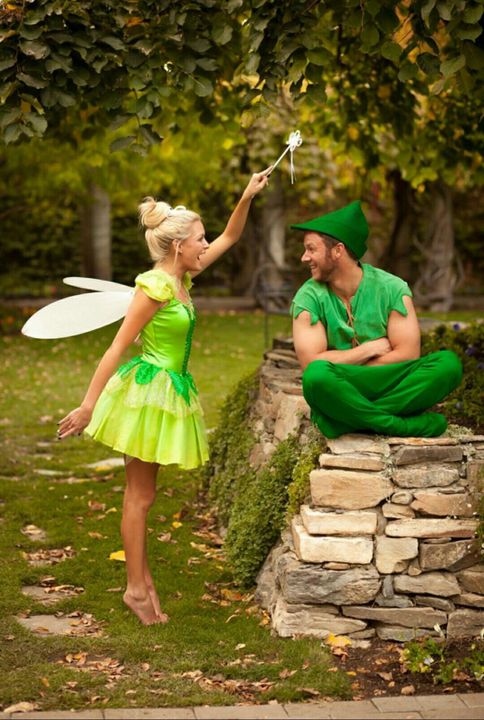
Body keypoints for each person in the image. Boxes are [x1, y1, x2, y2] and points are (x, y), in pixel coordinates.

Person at [57, 170, 269, 625]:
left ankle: (142, 580)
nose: (205, 244)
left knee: (145, 495)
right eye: (199, 239)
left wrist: (247, 195)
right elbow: (117, 345)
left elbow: (232, 236)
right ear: (178, 247)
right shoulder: (155, 287)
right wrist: (89, 405)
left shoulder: (180, 280)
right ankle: (135, 590)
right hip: (148, 393)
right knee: (139, 495)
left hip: (168, 389)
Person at [290, 200, 462, 439]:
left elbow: (407, 354)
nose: (304, 257)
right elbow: (311, 362)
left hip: (380, 378)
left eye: (311, 249)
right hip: (342, 381)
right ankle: (398, 425)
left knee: (448, 364)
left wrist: (344, 365)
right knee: (316, 376)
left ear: (338, 251)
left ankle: (344, 421)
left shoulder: (392, 288)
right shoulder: (308, 297)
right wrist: (368, 350)